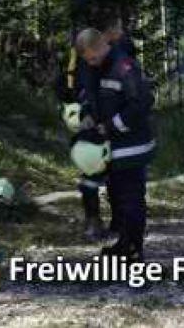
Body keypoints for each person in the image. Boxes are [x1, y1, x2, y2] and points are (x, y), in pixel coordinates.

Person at [76, 28, 156, 260]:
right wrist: (87, 115)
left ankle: (134, 249)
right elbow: (88, 97)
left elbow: (142, 103)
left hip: (132, 146)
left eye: (93, 58)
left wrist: (111, 125)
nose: (91, 63)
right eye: (88, 60)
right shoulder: (95, 69)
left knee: (131, 199)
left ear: (101, 46)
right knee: (118, 197)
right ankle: (124, 243)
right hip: (111, 147)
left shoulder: (124, 67)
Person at [56, 31, 110, 240]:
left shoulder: (78, 58)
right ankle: (94, 221)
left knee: (95, 174)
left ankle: (95, 221)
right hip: (94, 122)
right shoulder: (91, 58)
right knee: (94, 172)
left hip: (92, 121)